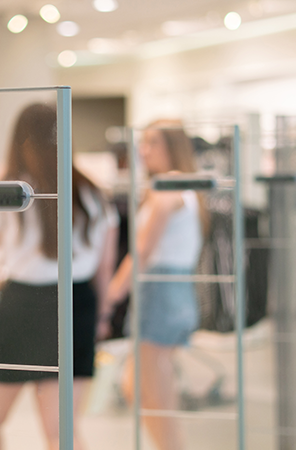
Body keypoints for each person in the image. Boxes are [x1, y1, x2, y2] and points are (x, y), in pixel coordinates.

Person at [0, 103, 118, 450]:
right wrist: (101, 317)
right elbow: (104, 268)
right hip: (75, 305)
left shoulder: (11, 189)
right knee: (62, 432)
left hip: (21, 303)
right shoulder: (93, 193)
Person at [98, 122, 210, 450]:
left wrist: (113, 292)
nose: (143, 151)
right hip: (165, 292)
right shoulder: (173, 186)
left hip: (162, 291)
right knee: (137, 387)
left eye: (152, 143)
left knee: (156, 396)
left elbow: (144, 248)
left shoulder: (171, 186)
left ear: (172, 147)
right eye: (143, 143)